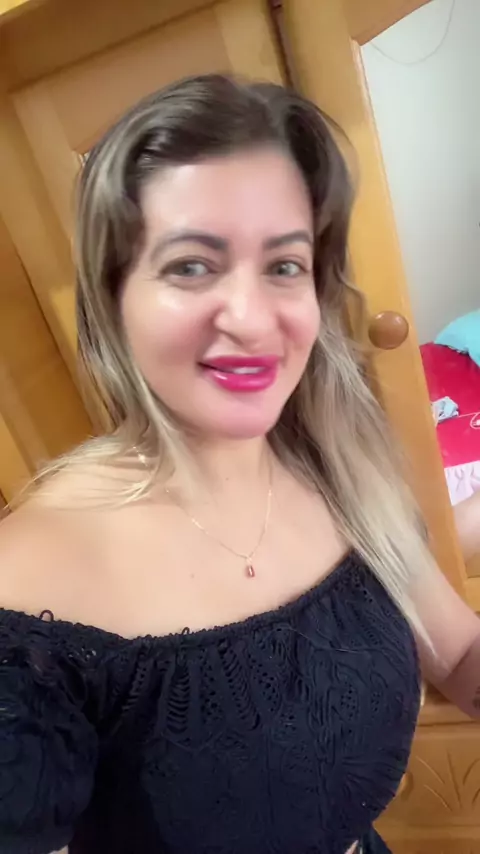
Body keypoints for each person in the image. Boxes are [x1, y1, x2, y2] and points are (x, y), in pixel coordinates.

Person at [0, 74, 479, 854]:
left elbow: (456, 653)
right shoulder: (25, 587)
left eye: (285, 266)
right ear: (114, 300)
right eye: (191, 265)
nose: (252, 320)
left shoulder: (343, 472)